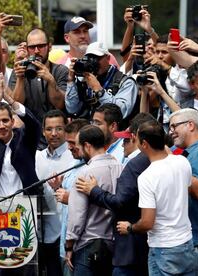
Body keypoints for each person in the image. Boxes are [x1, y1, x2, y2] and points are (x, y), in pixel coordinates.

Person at [75, 112, 156, 275]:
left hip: (131, 247)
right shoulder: (160, 160)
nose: (122, 144)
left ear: (137, 138)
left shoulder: (136, 164)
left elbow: (120, 202)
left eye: (126, 140)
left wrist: (94, 191)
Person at [117, 120, 197, 276]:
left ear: (144, 144)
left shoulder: (147, 177)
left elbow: (147, 222)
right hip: (186, 243)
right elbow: (185, 189)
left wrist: (129, 227)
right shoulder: (182, 161)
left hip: (163, 248)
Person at [65, 125, 122, 275]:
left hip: (88, 245)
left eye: (78, 146)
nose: (78, 150)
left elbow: (77, 216)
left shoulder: (85, 172)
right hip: (114, 244)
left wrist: (69, 246)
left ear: (87, 146)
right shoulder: (120, 167)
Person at [169, 108, 198, 275]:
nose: (172, 132)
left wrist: (174, 164)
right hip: (195, 241)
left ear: (190, 125)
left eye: (174, 127)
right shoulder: (191, 153)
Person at [47, 119, 89, 276]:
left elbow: (92, 203)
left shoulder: (92, 168)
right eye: (68, 142)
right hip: (66, 242)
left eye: (73, 143)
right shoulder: (74, 164)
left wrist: (70, 198)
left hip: (81, 245)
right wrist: (58, 188)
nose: (69, 147)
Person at [35, 109, 73, 276]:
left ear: (67, 129)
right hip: (41, 231)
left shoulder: (74, 157)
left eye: (59, 128)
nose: (54, 134)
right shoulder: (37, 157)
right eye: (49, 129)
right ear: (43, 132)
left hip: (66, 231)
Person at [9, 28, 68, 124]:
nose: (36, 51)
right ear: (27, 49)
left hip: (54, 128)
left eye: (41, 46)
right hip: (29, 128)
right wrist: (20, 79)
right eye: (32, 47)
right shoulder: (20, 70)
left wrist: (51, 81)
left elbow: (60, 104)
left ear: (49, 46)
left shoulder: (61, 70)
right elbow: (16, 106)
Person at [65, 42, 137, 120]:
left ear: (108, 58)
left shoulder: (125, 82)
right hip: (88, 129)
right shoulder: (84, 80)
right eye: (90, 58)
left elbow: (121, 112)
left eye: (97, 58)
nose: (93, 62)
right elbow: (72, 109)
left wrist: (99, 91)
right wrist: (71, 81)